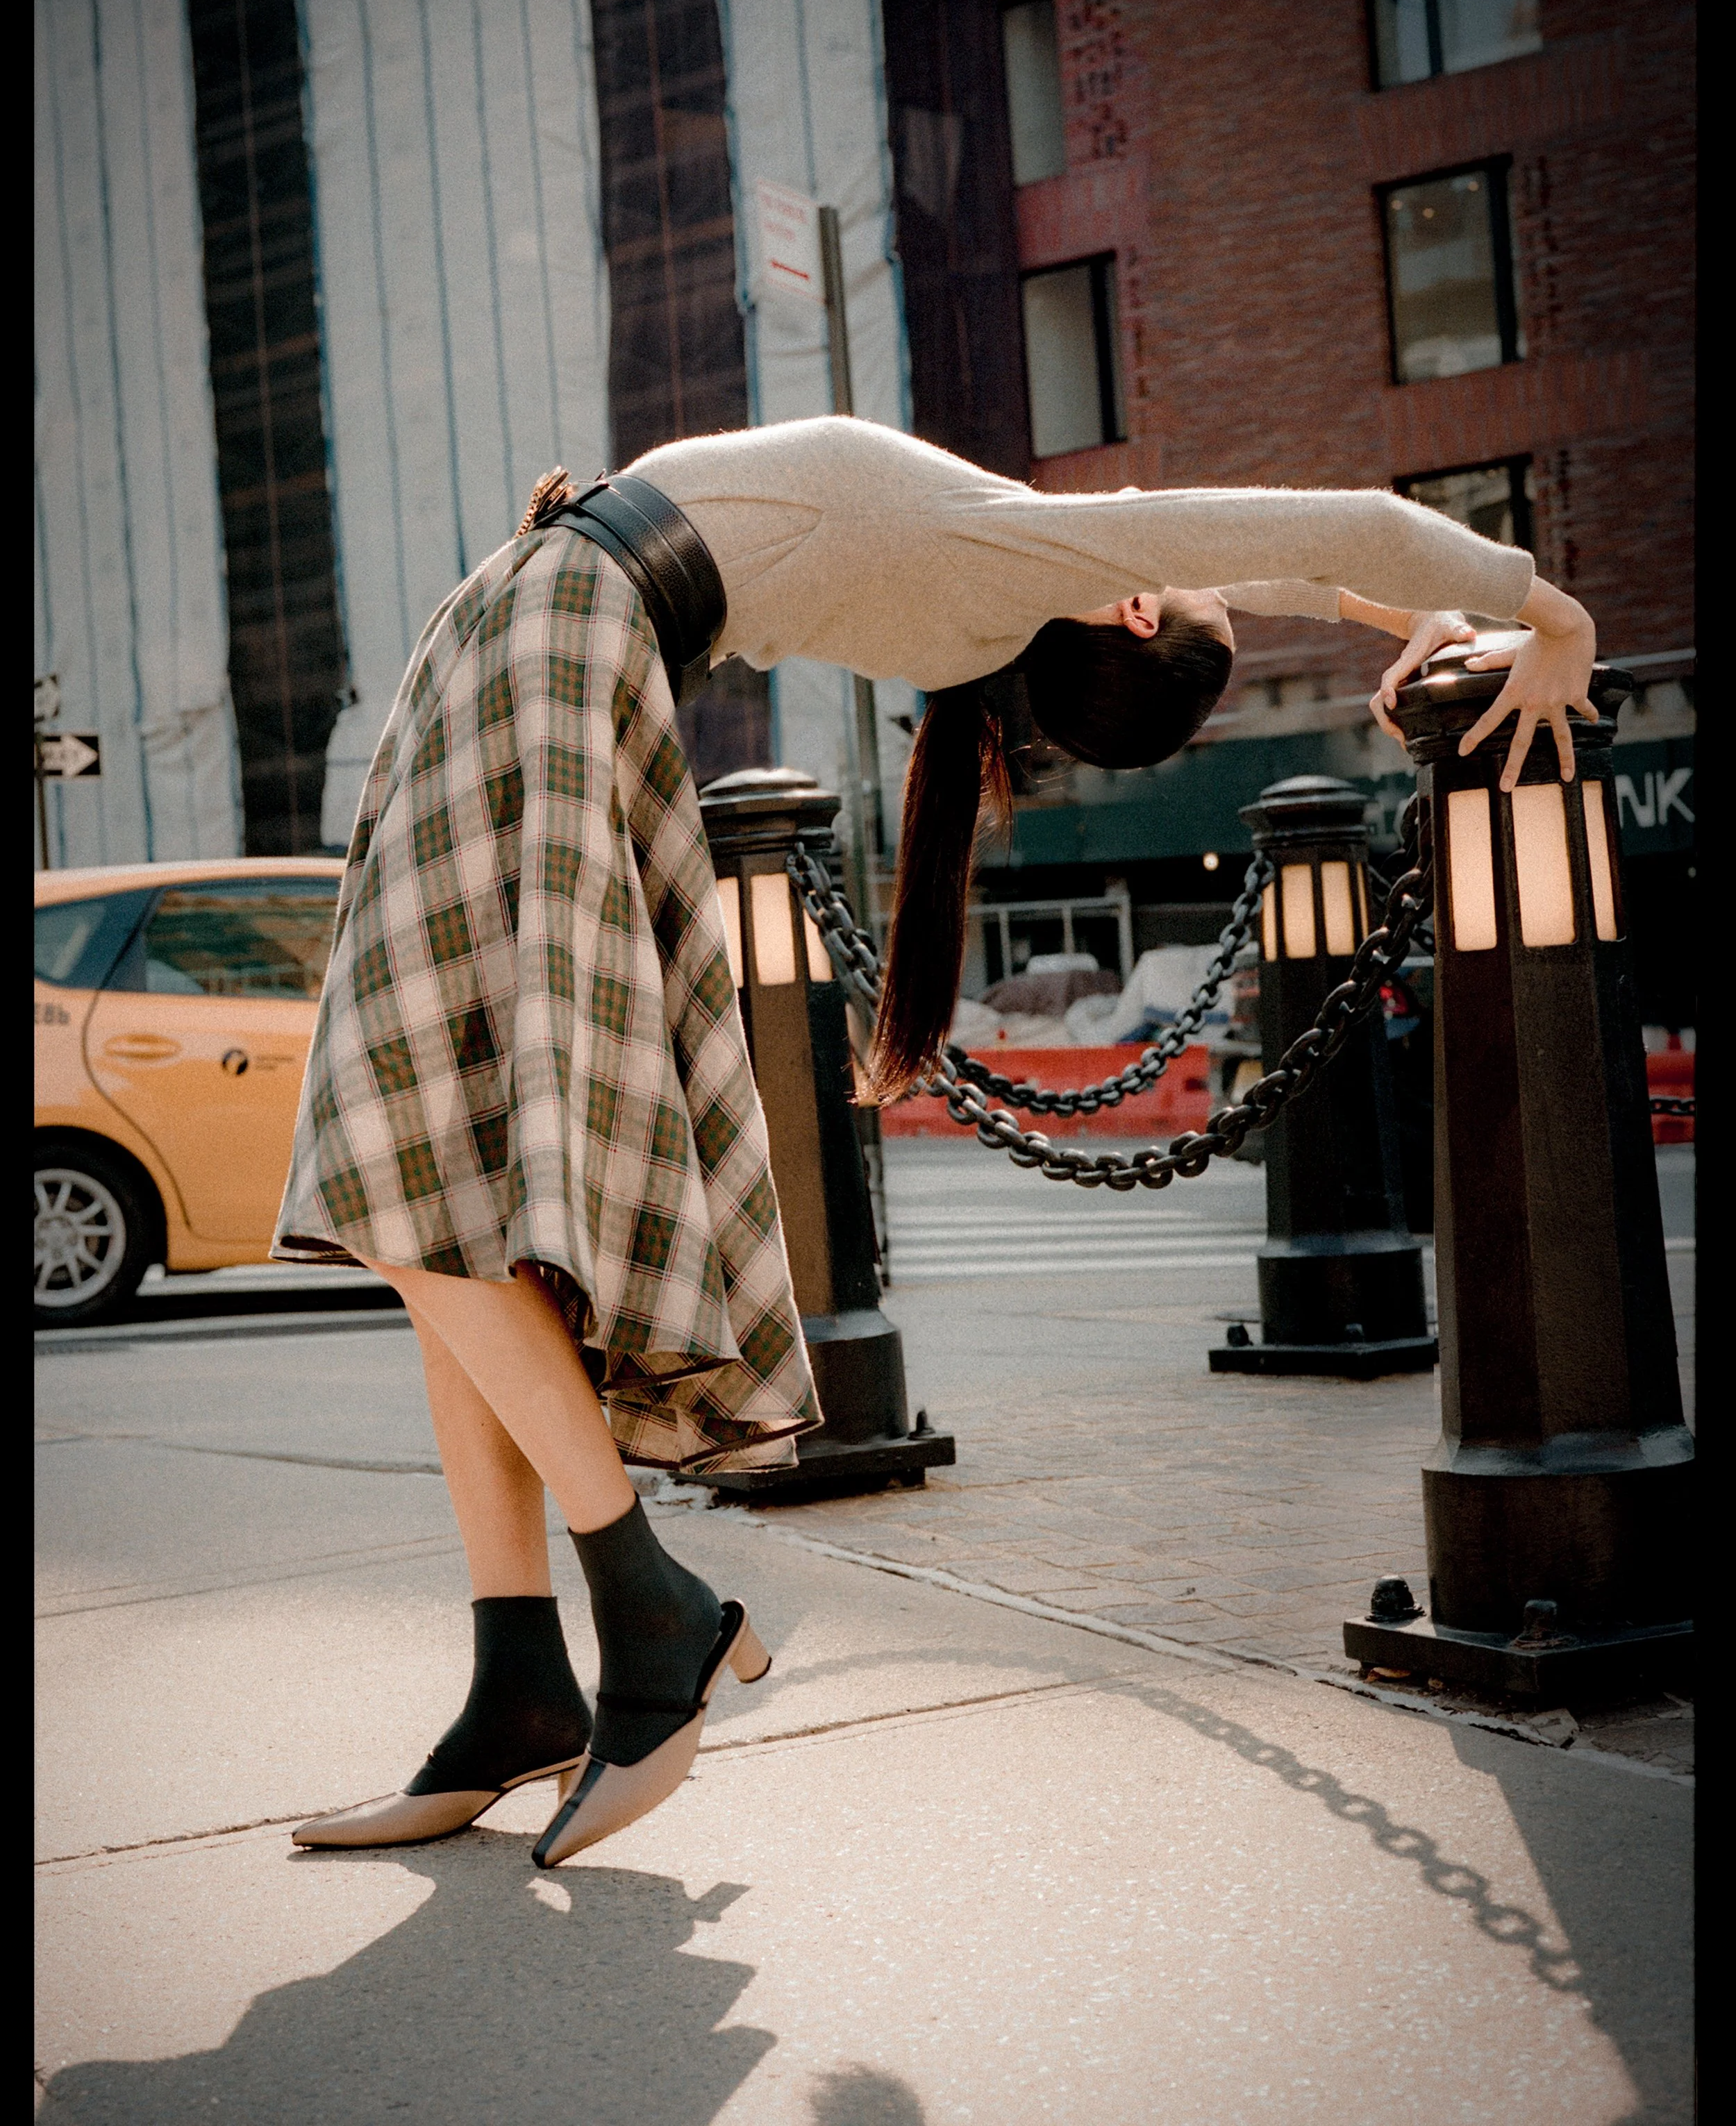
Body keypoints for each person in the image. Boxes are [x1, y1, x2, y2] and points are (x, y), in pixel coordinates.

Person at [277, 414, 1595, 1864]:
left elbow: (1330, 523)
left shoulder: (1023, 553)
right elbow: (1321, 570)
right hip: (530, 643)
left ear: (1138, 597)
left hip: (547, 642)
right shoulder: (983, 585)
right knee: (440, 1199)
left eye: (1166, 571)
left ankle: (650, 1617)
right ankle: (519, 1673)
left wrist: (1550, 615)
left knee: (401, 1176)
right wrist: (1427, 610)